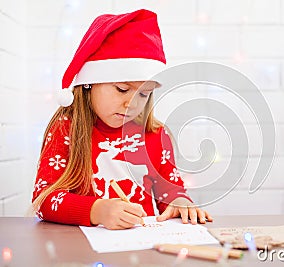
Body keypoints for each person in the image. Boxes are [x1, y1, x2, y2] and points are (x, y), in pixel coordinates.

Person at [31, 9, 212, 230]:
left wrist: (180, 203)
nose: (132, 103)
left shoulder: (156, 135)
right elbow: (44, 200)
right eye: (122, 89)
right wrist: (96, 210)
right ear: (89, 83)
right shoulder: (66, 129)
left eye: (143, 94)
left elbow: (170, 192)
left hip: (142, 253)